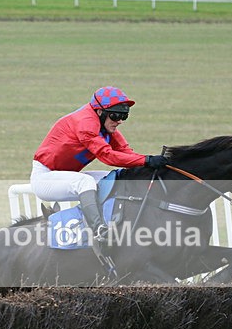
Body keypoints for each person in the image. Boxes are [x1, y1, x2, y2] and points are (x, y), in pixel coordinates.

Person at [30, 86, 169, 247]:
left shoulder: (104, 125)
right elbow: (107, 156)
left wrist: (148, 165)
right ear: (99, 112)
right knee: (85, 183)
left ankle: (122, 221)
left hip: (63, 176)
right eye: (115, 115)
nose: (119, 121)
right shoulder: (85, 123)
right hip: (45, 179)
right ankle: (98, 230)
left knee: (114, 178)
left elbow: (126, 153)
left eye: (124, 115)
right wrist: (146, 160)